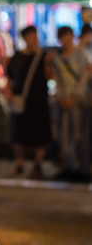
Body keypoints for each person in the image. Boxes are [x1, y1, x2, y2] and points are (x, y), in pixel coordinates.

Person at [8, 26, 52, 178]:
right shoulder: (17, 56)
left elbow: (49, 76)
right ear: (24, 38)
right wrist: (9, 93)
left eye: (35, 35)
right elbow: (9, 76)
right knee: (18, 132)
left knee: (40, 132)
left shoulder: (43, 56)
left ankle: (37, 165)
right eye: (30, 36)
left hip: (39, 100)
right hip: (21, 100)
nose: (33, 39)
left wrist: (47, 63)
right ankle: (19, 162)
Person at [51, 26, 91, 180]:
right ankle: (70, 167)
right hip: (64, 101)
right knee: (65, 135)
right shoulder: (58, 57)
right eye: (62, 37)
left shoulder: (80, 53)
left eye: (68, 36)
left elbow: (84, 77)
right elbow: (57, 79)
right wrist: (62, 97)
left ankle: (84, 169)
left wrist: (73, 97)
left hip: (79, 101)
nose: (65, 40)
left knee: (80, 135)